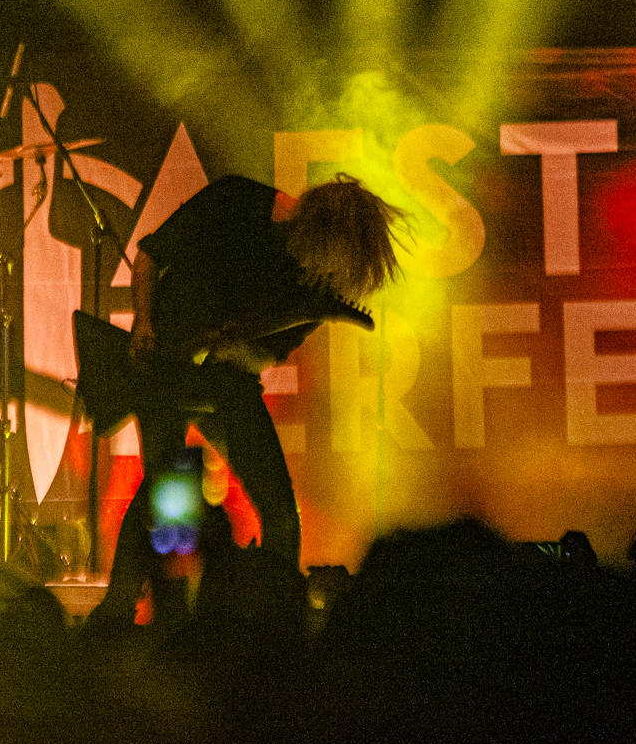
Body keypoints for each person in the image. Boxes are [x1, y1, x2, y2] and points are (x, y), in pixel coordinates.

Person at [98, 173, 406, 622]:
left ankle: (278, 624)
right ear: (313, 226)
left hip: (227, 384)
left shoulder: (319, 281)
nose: (325, 276)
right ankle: (126, 609)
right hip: (164, 359)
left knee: (280, 515)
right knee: (170, 495)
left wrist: (238, 345)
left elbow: (263, 356)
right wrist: (143, 324)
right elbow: (148, 257)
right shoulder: (235, 200)